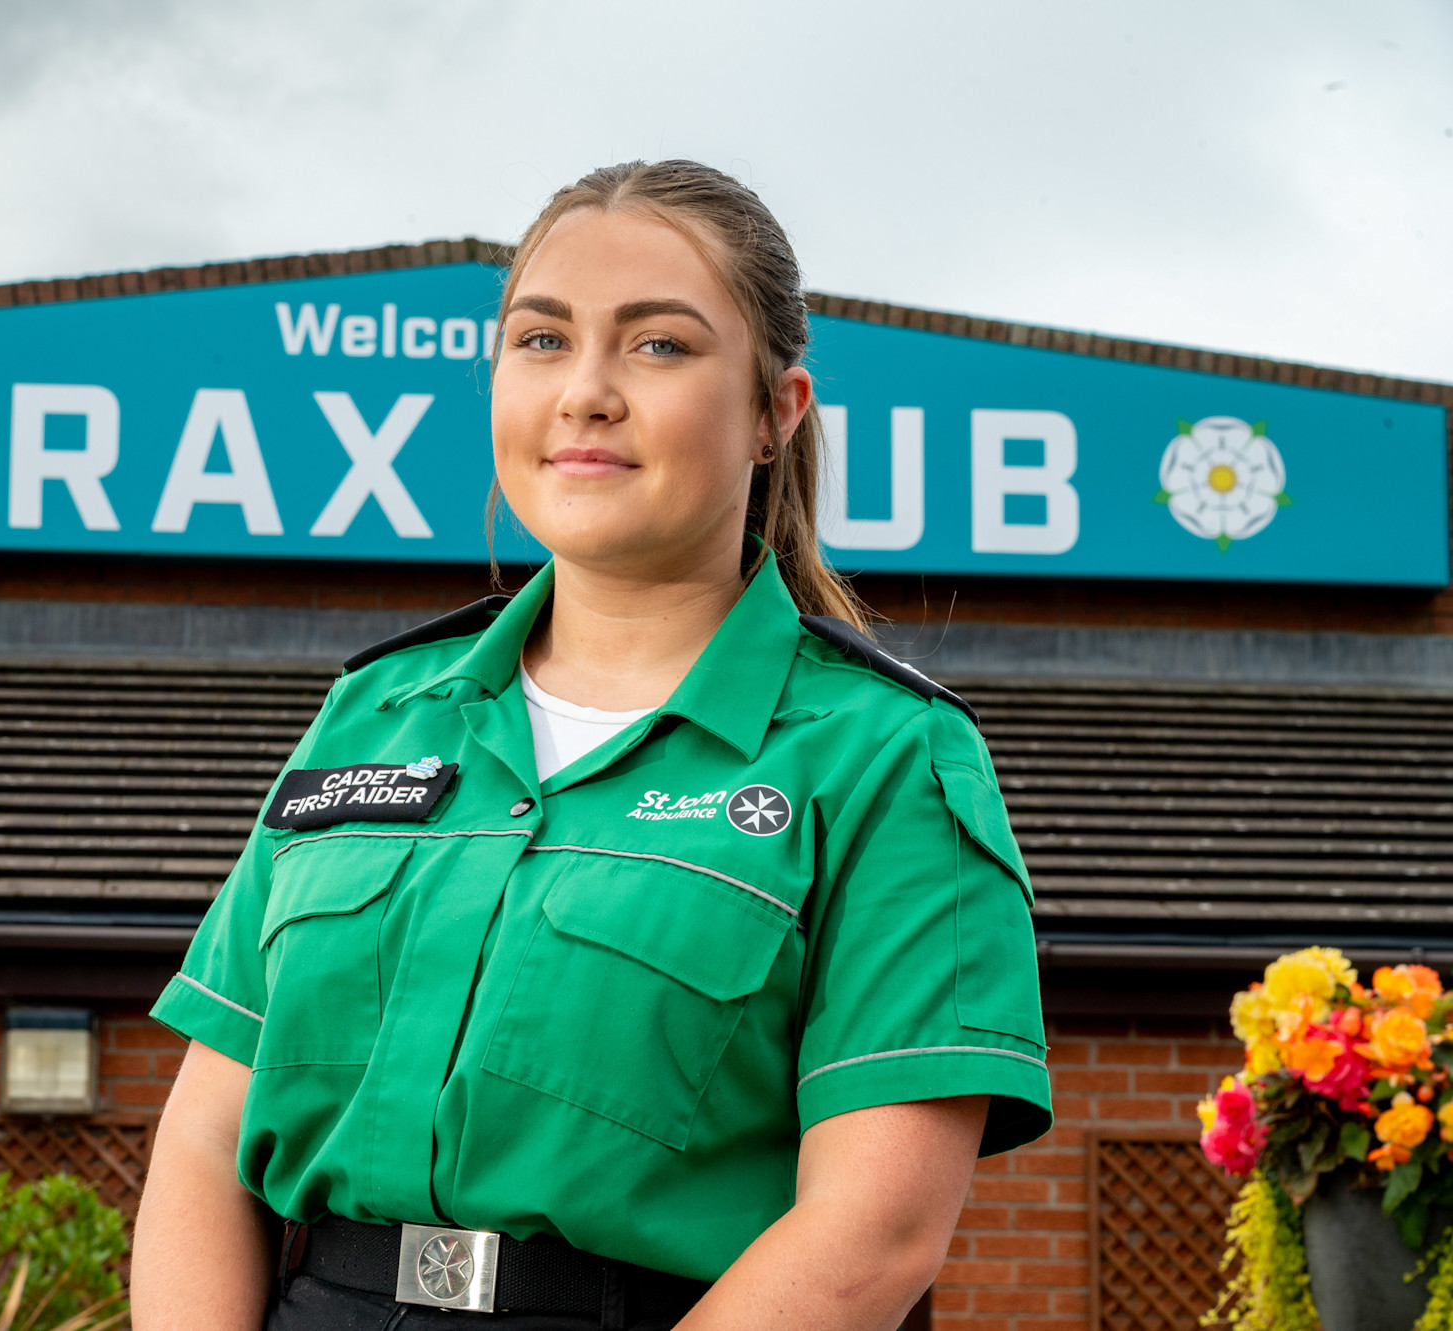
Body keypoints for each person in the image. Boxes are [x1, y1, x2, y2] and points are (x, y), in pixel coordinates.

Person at [131, 160, 1050, 1331]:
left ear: (777, 411)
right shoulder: (372, 713)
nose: (587, 392)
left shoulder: (882, 756)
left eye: (658, 345)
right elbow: (205, 1143)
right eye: (540, 340)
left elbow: (872, 1235)